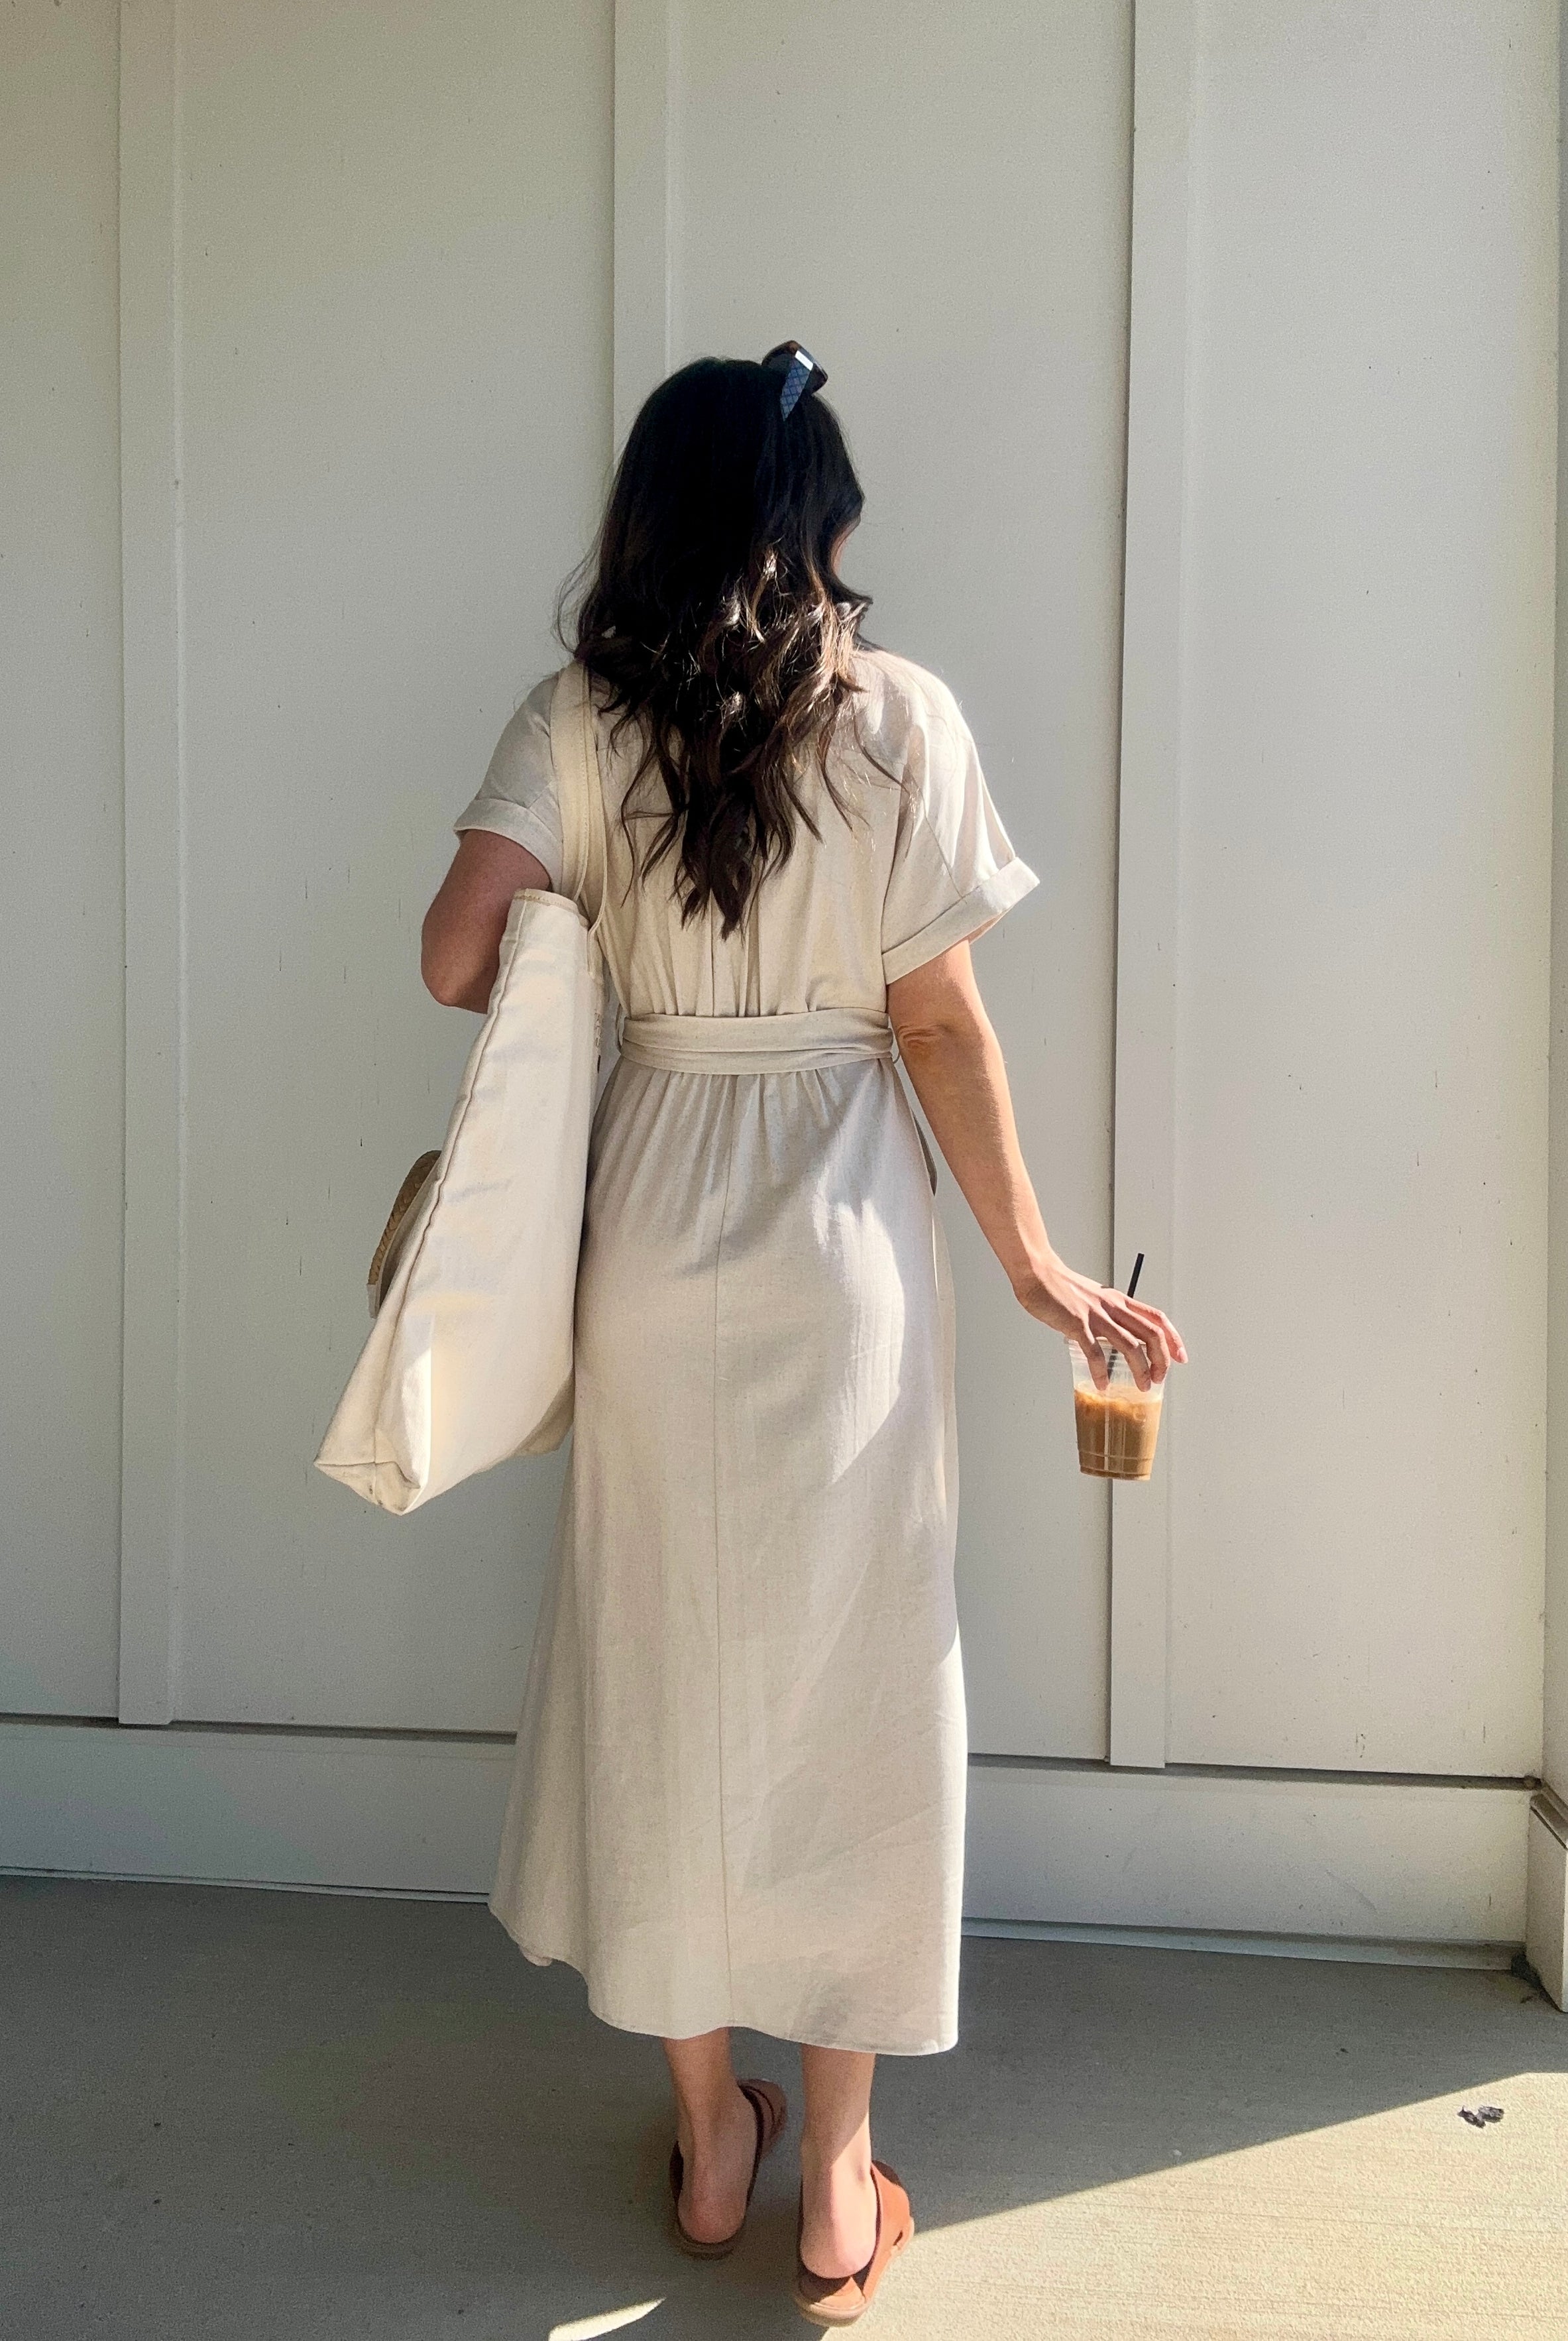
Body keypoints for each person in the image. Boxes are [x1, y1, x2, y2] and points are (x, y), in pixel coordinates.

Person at [421, 343, 1186, 2325]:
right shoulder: (897, 722)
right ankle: (843, 2181)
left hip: (652, 1220)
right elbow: (938, 1020)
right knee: (861, 1673)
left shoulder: (582, 712)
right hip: (848, 1234)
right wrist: (1033, 1262)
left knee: (660, 1661)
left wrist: (617, 927)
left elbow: (451, 953)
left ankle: (708, 2137)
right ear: (809, 521)